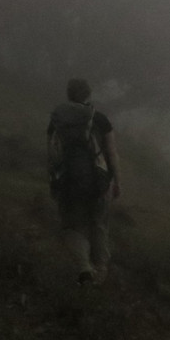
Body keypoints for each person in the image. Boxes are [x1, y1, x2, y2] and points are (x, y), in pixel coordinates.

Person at [47, 78, 121, 285]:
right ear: (88, 94)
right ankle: (100, 272)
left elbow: (52, 152)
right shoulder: (100, 119)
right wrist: (116, 182)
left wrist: (54, 181)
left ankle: (84, 268)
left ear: (68, 94)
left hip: (68, 181)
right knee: (99, 224)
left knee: (72, 227)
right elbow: (112, 154)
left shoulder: (57, 119)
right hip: (99, 181)